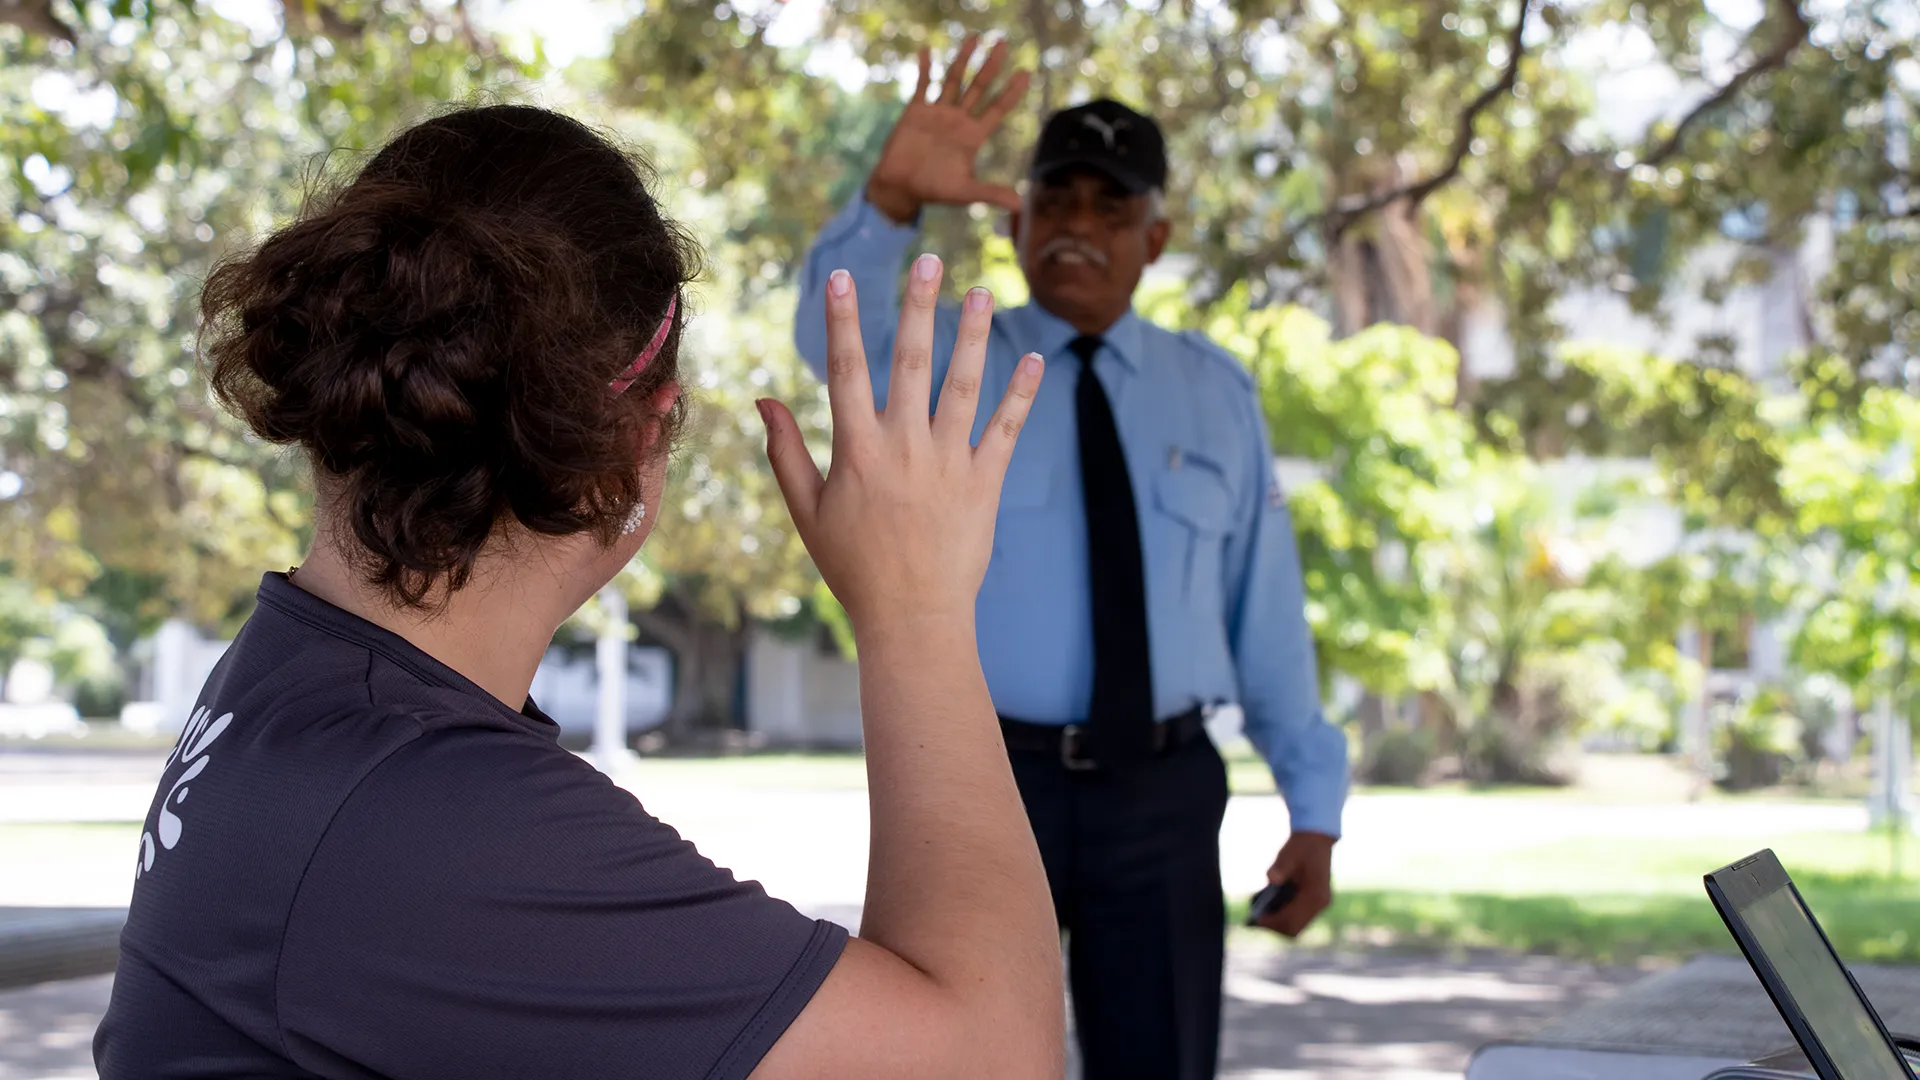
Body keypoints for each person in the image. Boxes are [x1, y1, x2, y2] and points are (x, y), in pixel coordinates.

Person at [93, 104, 1065, 1080]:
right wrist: (916, 610)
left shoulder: (298, 678)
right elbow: (991, 1058)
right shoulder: (432, 815)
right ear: (642, 439)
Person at [792, 37, 1351, 1080]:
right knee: (962, 1059)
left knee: (1161, 1059)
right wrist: (890, 205)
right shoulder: (953, 369)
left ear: (1156, 236)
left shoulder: (1217, 394)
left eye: (1111, 207)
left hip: (1164, 789)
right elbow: (842, 345)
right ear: (1017, 221)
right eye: (1057, 202)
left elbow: (1264, 615)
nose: (1080, 228)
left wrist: (1313, 809)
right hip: (984, 783)